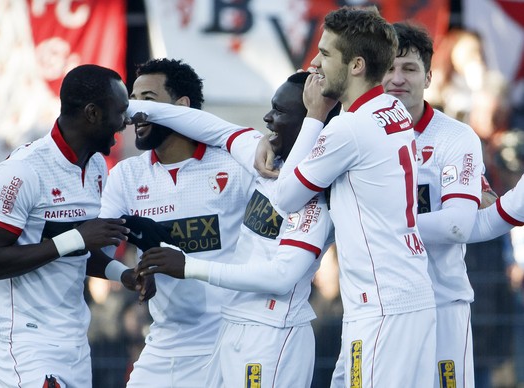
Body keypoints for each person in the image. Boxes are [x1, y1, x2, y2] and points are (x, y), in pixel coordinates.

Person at [131, 71, 339, 387]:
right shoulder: (267, 159)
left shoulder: (316, 199)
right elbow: (212, 128)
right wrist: (127, 110)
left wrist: (190, 267)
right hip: (233, 326)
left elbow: (281, 277)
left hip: (273, 336)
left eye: (280, 112)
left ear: (309, 123)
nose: (267, 118)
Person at [271, 7, 437, 387]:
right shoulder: (392, 109)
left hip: (382, 307)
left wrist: (315, 115)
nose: (314, 62)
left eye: (326, 53)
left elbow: (286, 196)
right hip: (395, 300)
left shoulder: (349, 127)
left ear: (357, 64)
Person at [0, 64, 145, 387]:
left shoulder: (96, 167)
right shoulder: (23, 172)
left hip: (74, 341)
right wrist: (77, 236)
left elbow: (76, 252)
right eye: (119, 111)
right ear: (93, 113)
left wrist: (121, 274)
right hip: (24, 340)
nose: (125, 122)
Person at [99, 58, 254, 387]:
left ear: (182, 106)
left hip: (231, 341)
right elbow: (96, 252)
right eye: (133, 100)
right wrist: (126, 275)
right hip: (164, 343)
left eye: (148, 100)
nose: (134, 112)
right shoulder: (127, 175)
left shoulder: (235, 165)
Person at [382, 21, 485, 387]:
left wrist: (378, 227)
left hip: (442, 305)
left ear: (428, 77)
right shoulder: (353, 133)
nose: (397, 79)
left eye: (409, 69)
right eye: (389, 68)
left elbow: (458, 224)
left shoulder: (455, 137)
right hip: (377, 309)